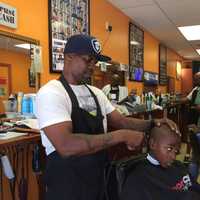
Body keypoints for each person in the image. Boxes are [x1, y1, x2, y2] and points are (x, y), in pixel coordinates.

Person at [36, 34, 177, 200]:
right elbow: (66, 145)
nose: (92, 67)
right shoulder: (52, 93)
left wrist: (153, 123)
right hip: (68, 185)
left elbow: (121, 121)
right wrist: (121, 136)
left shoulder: (96, 92)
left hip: (98, 178)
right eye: (87, 60)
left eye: (94, 62)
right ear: (69, 57)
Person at [120, 124, 200, 200]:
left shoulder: (178, 166)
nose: (173, 156)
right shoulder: (139, 178)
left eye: (176, 151)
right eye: (169, 149)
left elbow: (195, 187)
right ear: (152, 144)